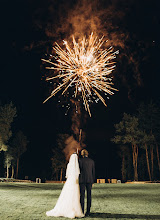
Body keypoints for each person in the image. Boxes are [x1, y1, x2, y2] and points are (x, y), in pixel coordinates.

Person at [46, 153, 84, 219]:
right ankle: (74, 209)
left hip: (69, 182)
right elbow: (78, 174)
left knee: (67, 195)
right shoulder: (77, 166)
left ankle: (66, 208)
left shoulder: (69, 165)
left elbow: (67, 175)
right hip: (75, 182)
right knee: (75, 196)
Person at [79, 149, 95, 216]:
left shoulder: (80, 161)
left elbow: (79, 171)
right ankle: (88, 211)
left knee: (82, 196)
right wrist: (93, 181)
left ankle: (82, 211)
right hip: (90, 180)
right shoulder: (91, 161)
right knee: (89, 196)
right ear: (87, 154)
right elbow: (93, 172)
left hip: (82, 180)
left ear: (82, 154)